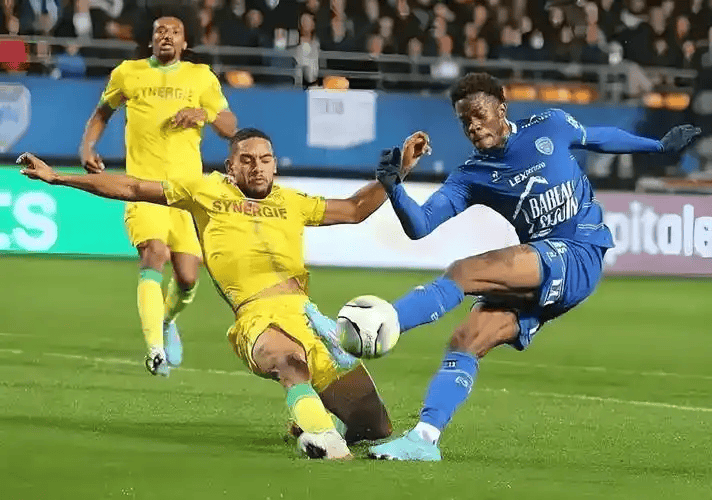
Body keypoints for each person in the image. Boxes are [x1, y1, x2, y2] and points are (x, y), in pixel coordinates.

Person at [17, 127, 431, 460]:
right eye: (247, 160)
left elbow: (355, 209)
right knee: (289, 362)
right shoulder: (206, 193)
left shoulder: (293, 202)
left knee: (375, 427)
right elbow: (133, 187)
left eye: (265, 159)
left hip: (308, 317)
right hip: (257, 316)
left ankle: (309, 418)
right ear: (231, 166)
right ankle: (323, 437)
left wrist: (401, 170)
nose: (257, 167)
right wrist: (59, 178)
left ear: (274, 164)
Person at [358, 72, 698, 461]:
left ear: (501, 109)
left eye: (479, 114)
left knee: (465, 272)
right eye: (465, 120)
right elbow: (420, 225)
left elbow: (597, 137)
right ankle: (424, 439)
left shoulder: (549, 125)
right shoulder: (471, 175)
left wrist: (657, 146)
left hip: (579, 251)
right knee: (467, 338)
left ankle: (383, 324)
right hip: (543, 266)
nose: (473, 126)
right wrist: (395, 186)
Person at [79, 15, 238, 377]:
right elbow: (102, 113)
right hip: (142, 188)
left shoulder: (200, 77)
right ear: (151, 41)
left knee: (188, 278)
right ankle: (154, 350)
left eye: (175, 32)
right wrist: (88, 146)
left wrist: (203, 112)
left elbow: (230, 126)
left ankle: (166, 321)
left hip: (186, 194)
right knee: (154, 252)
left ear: (185, 43)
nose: (167, 36)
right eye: (160, 31)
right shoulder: (128, 73)